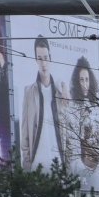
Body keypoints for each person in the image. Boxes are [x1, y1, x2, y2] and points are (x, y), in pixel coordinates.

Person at [20, 36, 67, 170]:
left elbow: (68, 134)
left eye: (45, 58)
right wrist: (28, 165)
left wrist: (66, 167)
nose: (43, 63)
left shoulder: (59, 93)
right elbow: (25, 136)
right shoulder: (29, 92)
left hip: (58, 165)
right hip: (37, 167)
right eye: (40, 58)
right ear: (36, 60)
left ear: (50, 57)